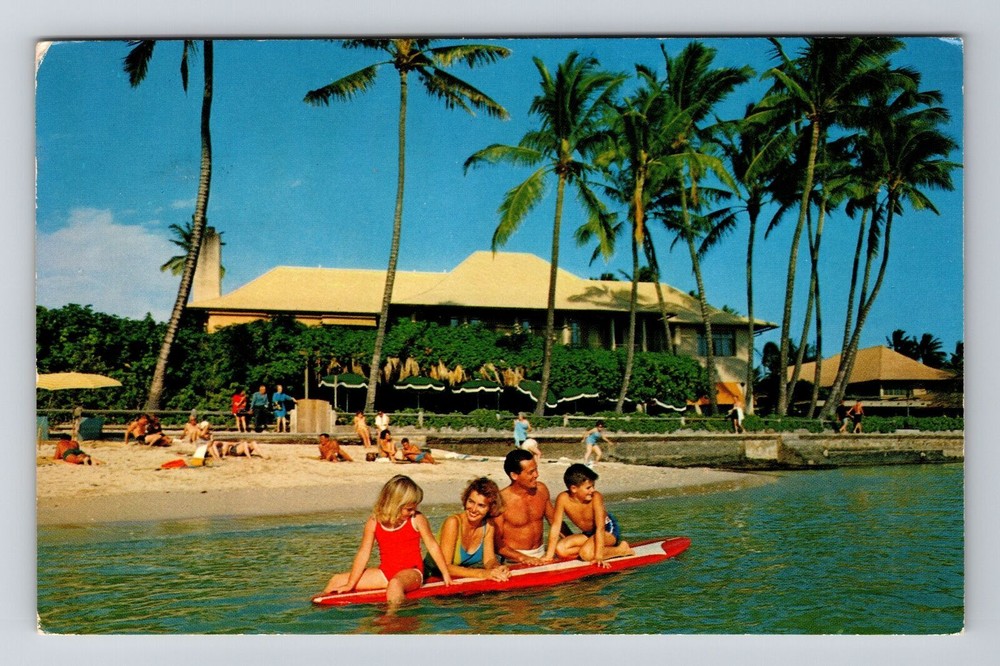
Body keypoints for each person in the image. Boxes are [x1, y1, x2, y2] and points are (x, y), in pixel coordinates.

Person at [319, 474, 453, 606]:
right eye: (409, 509)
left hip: (413, 572)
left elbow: (432, 546)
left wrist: (445, 574)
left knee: (395, 584)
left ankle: (391, 620)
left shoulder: (417, 519)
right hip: (384, 573)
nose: (413, 512)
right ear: (394, 505)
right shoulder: (374, 522)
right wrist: (350, 584)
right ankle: (318, 616)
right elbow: (363, 554)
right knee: (336, 581)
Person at [544, 463, 633, 567]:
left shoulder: (596, 497)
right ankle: (589, 550)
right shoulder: (563, 498)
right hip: (589, 533)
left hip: (607, 530)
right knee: (560, 549)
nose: (593, 490)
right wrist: (549, 555)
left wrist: (599, 556)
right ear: (574, 489)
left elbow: (600, 528)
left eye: (593, 486)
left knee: (586, 554)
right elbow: (556, 526)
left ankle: (621, 549)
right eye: (588, 487)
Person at [428, 477, 510, 582]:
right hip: (432, 577)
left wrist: (497, 568)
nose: (474, 509)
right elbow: (445, 567)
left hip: (455, 578)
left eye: (481, 505)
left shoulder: (488, 525)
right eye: (471, 502)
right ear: (465, 499)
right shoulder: (453, 523)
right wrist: (482, 573)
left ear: (490, 508)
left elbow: (489, 560)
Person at [493, 448, 562, 565]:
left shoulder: (541, 490)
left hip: (542, 555)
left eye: (536, 469)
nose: (537, 475)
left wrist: (573, 541)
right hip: (514, 559)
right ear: (514, 475)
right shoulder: (501, 501)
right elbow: (495, 543)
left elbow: (555, 522)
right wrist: (523, 558)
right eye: (531, 472)